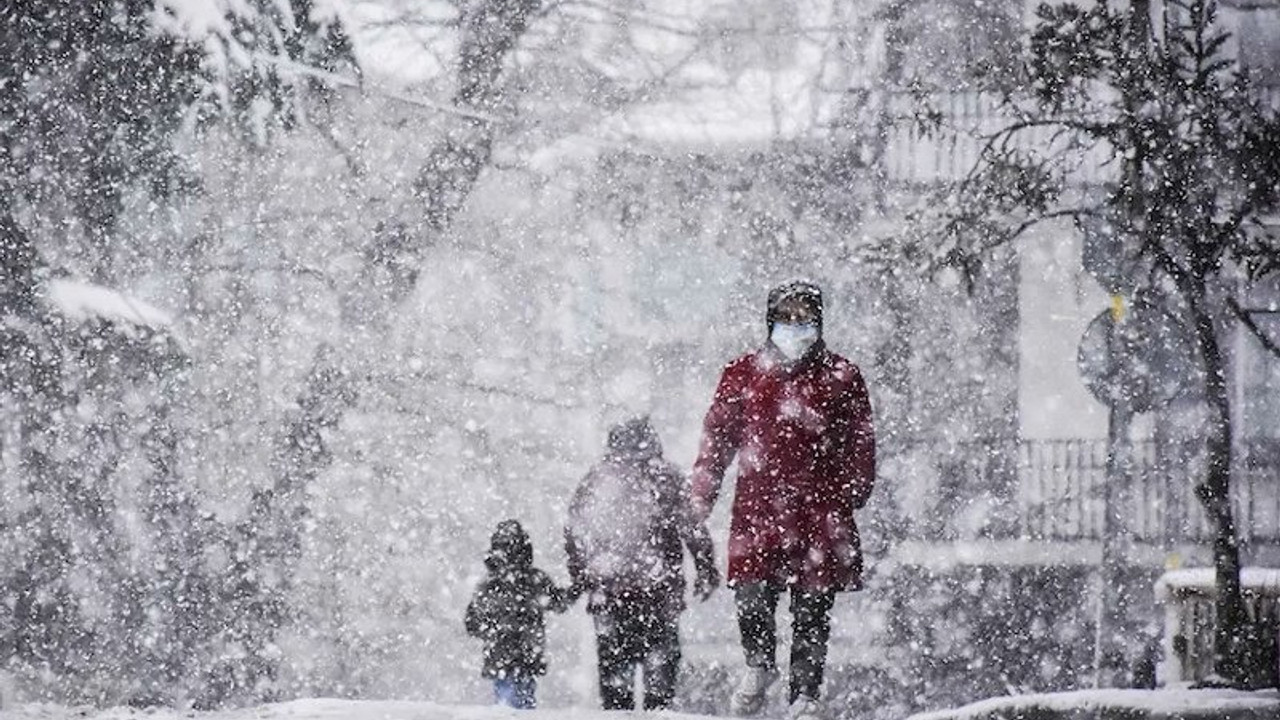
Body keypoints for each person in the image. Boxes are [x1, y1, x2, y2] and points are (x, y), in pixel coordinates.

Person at [691, 280, 876, 720]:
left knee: (813, 608)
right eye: (787, 316)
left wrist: (853, 489)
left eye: (804, 317)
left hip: (820, 510)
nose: (796, 325)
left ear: (819, 320)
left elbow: (860, 441)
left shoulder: (842, 377)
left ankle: (805, 696)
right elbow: (716, 441)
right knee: (751, 593)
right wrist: (701, 496)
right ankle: (759, 664)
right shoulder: (741, 375)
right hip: (759, 508)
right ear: (770, 319)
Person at [565, 416, 720, 711]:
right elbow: (692, 528)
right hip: (659, 594)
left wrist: (582, 576)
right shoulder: (667, 477)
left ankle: (620, 710)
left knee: (615, 679)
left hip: (610, 594)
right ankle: (656, 710)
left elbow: (575, 531)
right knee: (660, 683)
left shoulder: (598, 479)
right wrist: (705, 569)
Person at [465, 519, 573, 709]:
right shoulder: (534, 579)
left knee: (506, 701)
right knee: (523, 700)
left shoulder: (489, 584)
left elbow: (472, 622)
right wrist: (576, 589)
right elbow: (557, 603)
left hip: (499, 654)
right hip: (527, 653)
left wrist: (491, 630)